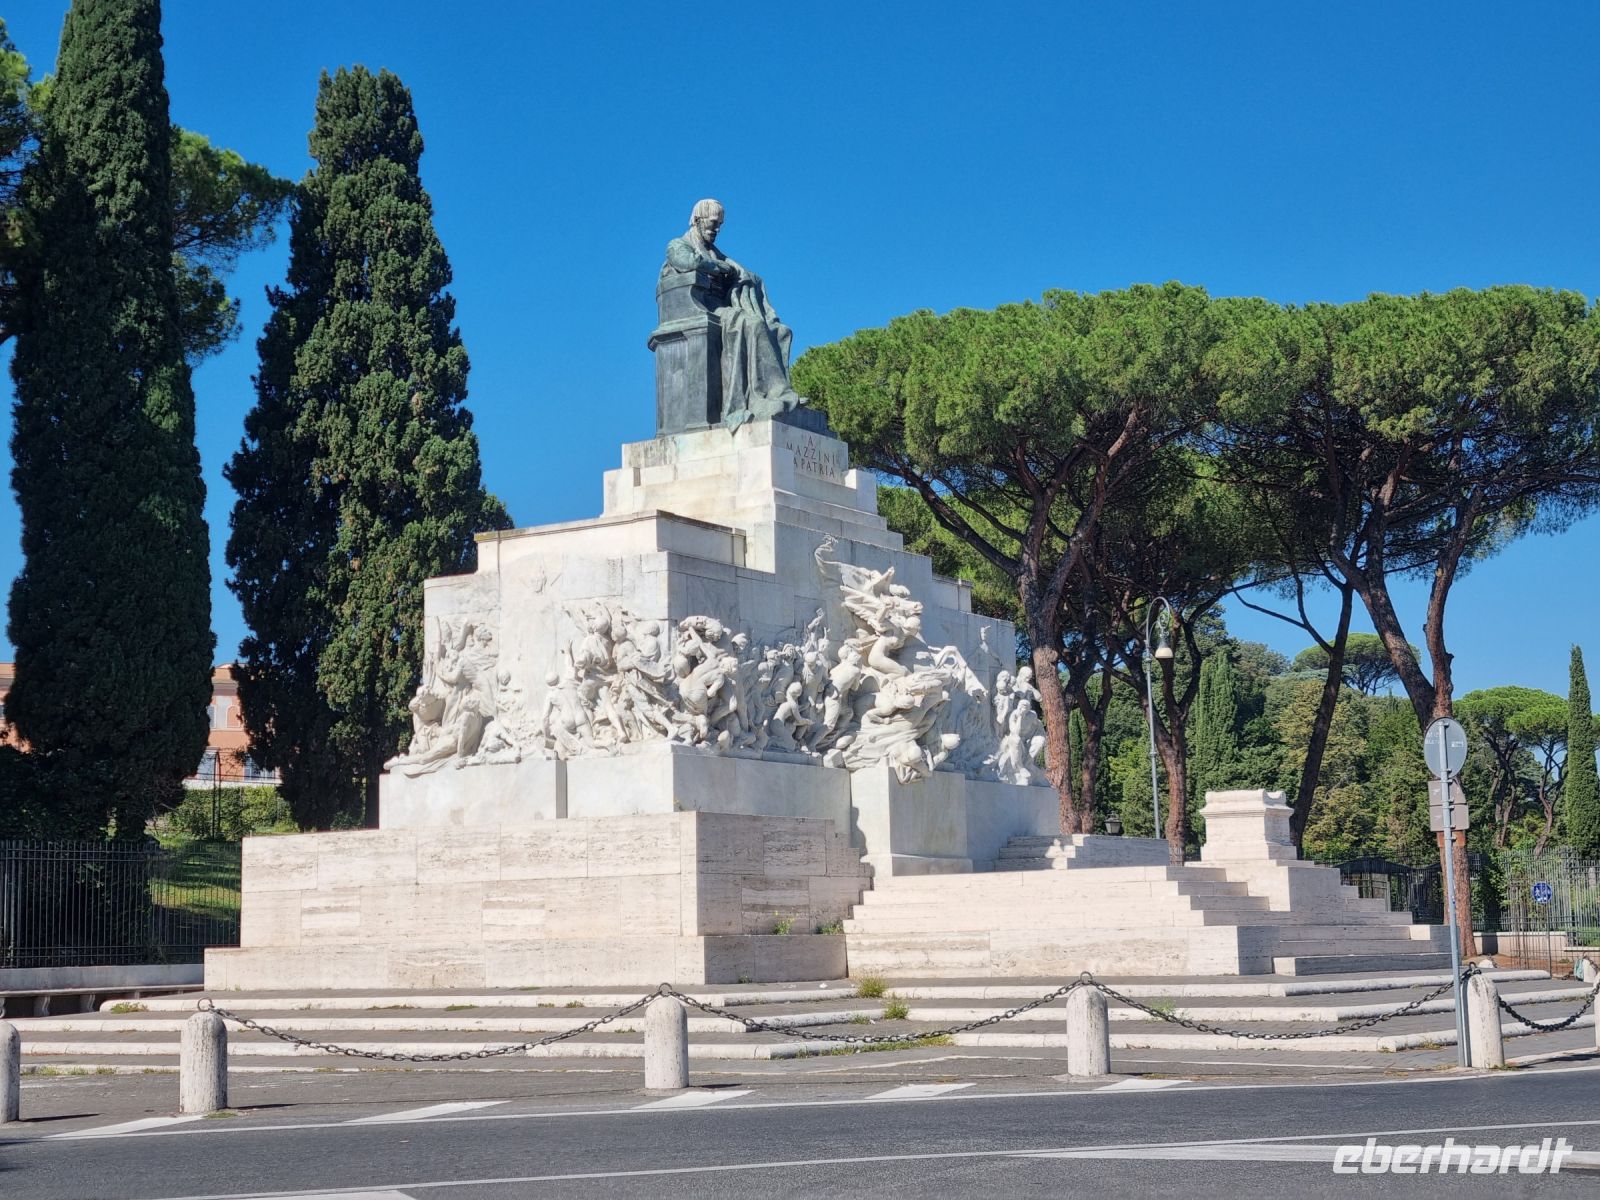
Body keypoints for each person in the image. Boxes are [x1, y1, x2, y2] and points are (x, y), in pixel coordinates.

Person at [662, 199, 803, 424]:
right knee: (751, 323)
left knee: (779, 331)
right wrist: (718, 267)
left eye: (719, 225)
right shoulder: (678, 244)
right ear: (697, 220)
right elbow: (686, 261)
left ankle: (779, 391)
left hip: (720, 306)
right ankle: (761, 394)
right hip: (701, 307)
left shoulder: (716, 252)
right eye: (712, 223)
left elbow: (733, 267)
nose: (716, 229)